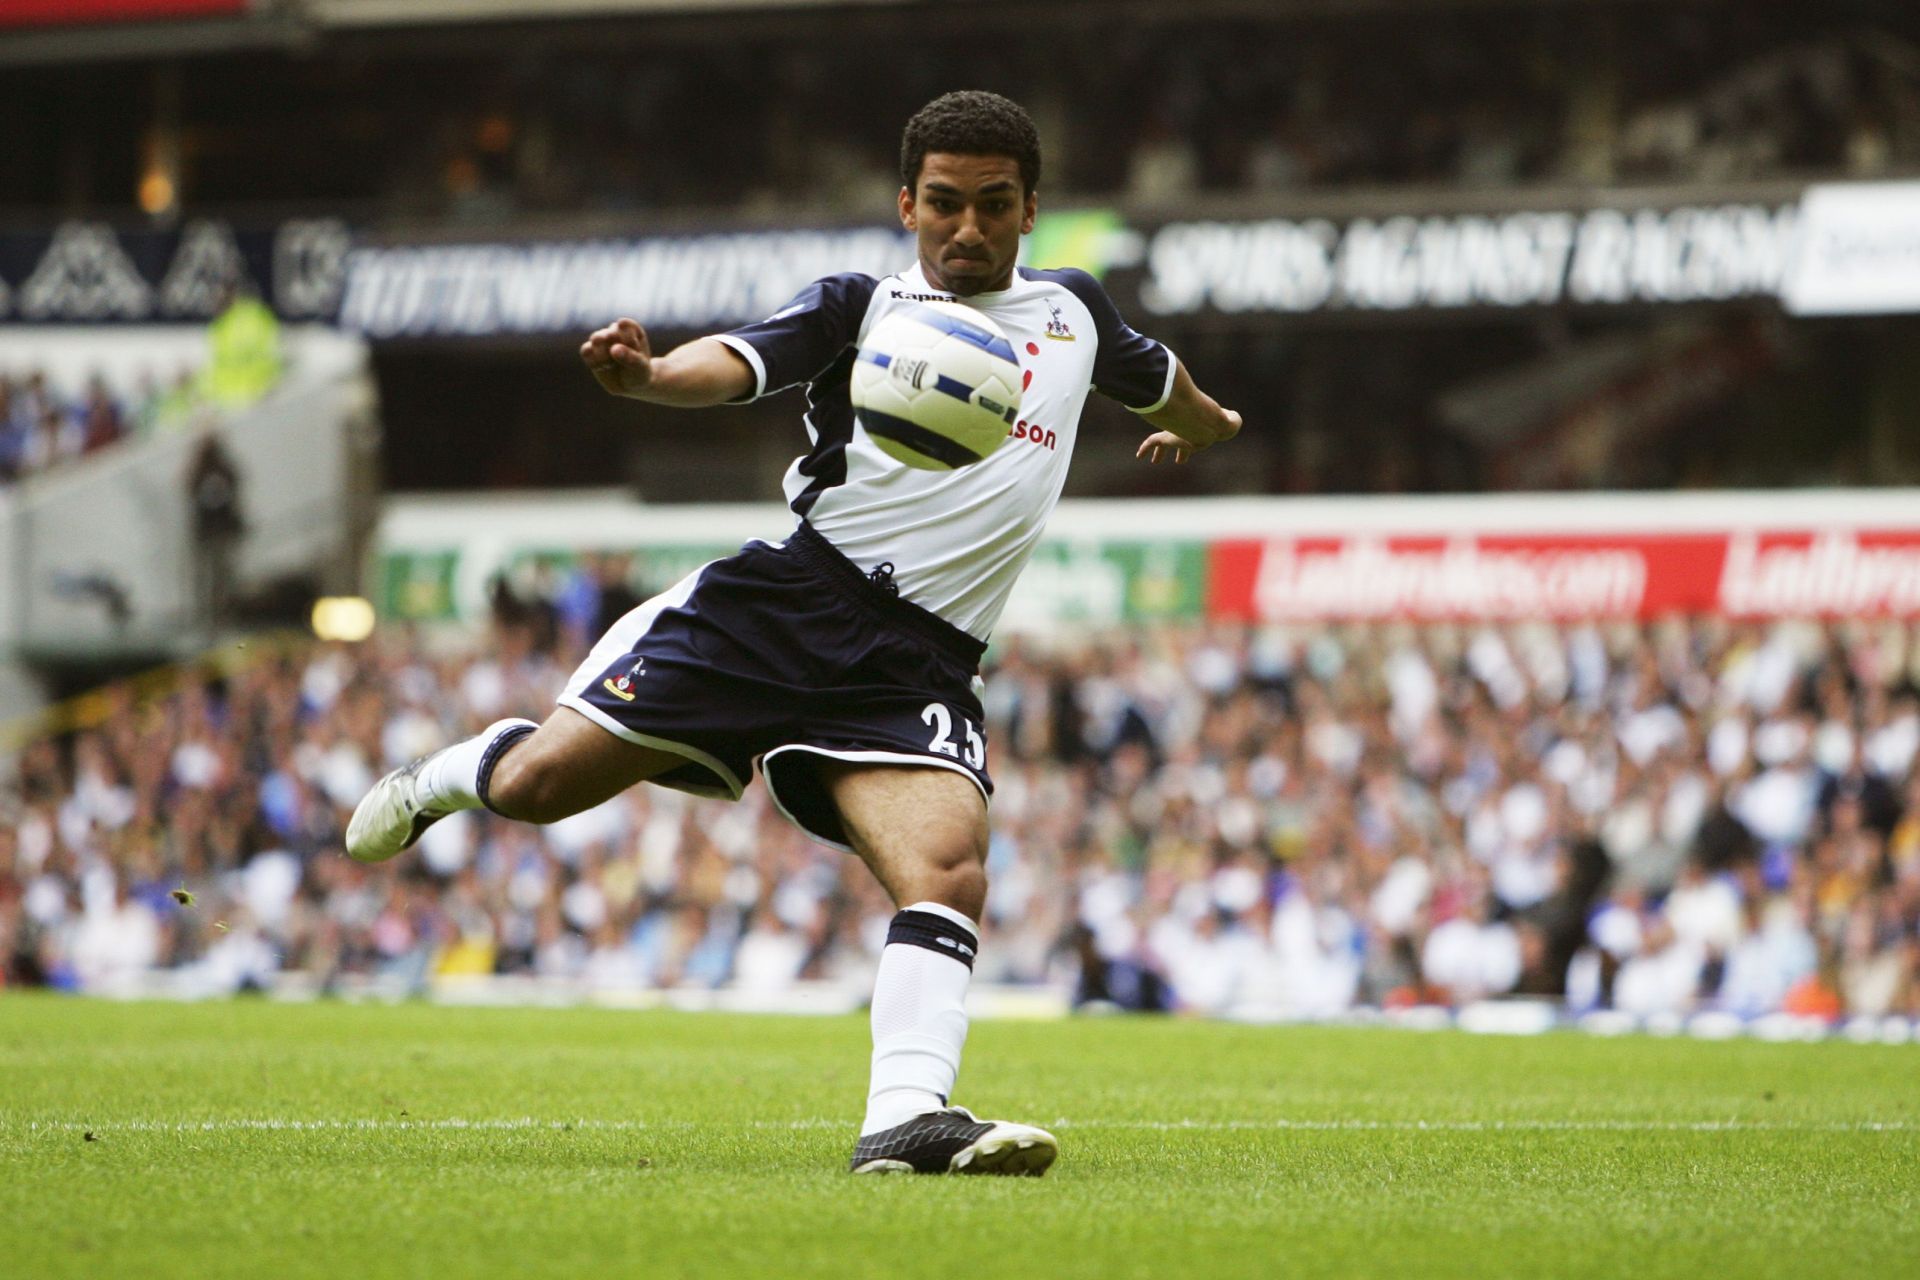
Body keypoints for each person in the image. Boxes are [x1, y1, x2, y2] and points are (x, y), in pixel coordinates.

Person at [346, 90, 1240, 1176]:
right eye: (945, 204)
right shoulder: (863, 308)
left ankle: (906, 1117)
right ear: (907, 204)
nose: (968, 229)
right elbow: (740, 358)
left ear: (1030, 210)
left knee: (948, 870)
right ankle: (445, 772)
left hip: (922, 659)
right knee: (541, 787)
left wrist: (1208, 427)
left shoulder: (1075, 314)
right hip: (780, 609)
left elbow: (1162, 380)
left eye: (994, 206)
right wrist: (651, 374)